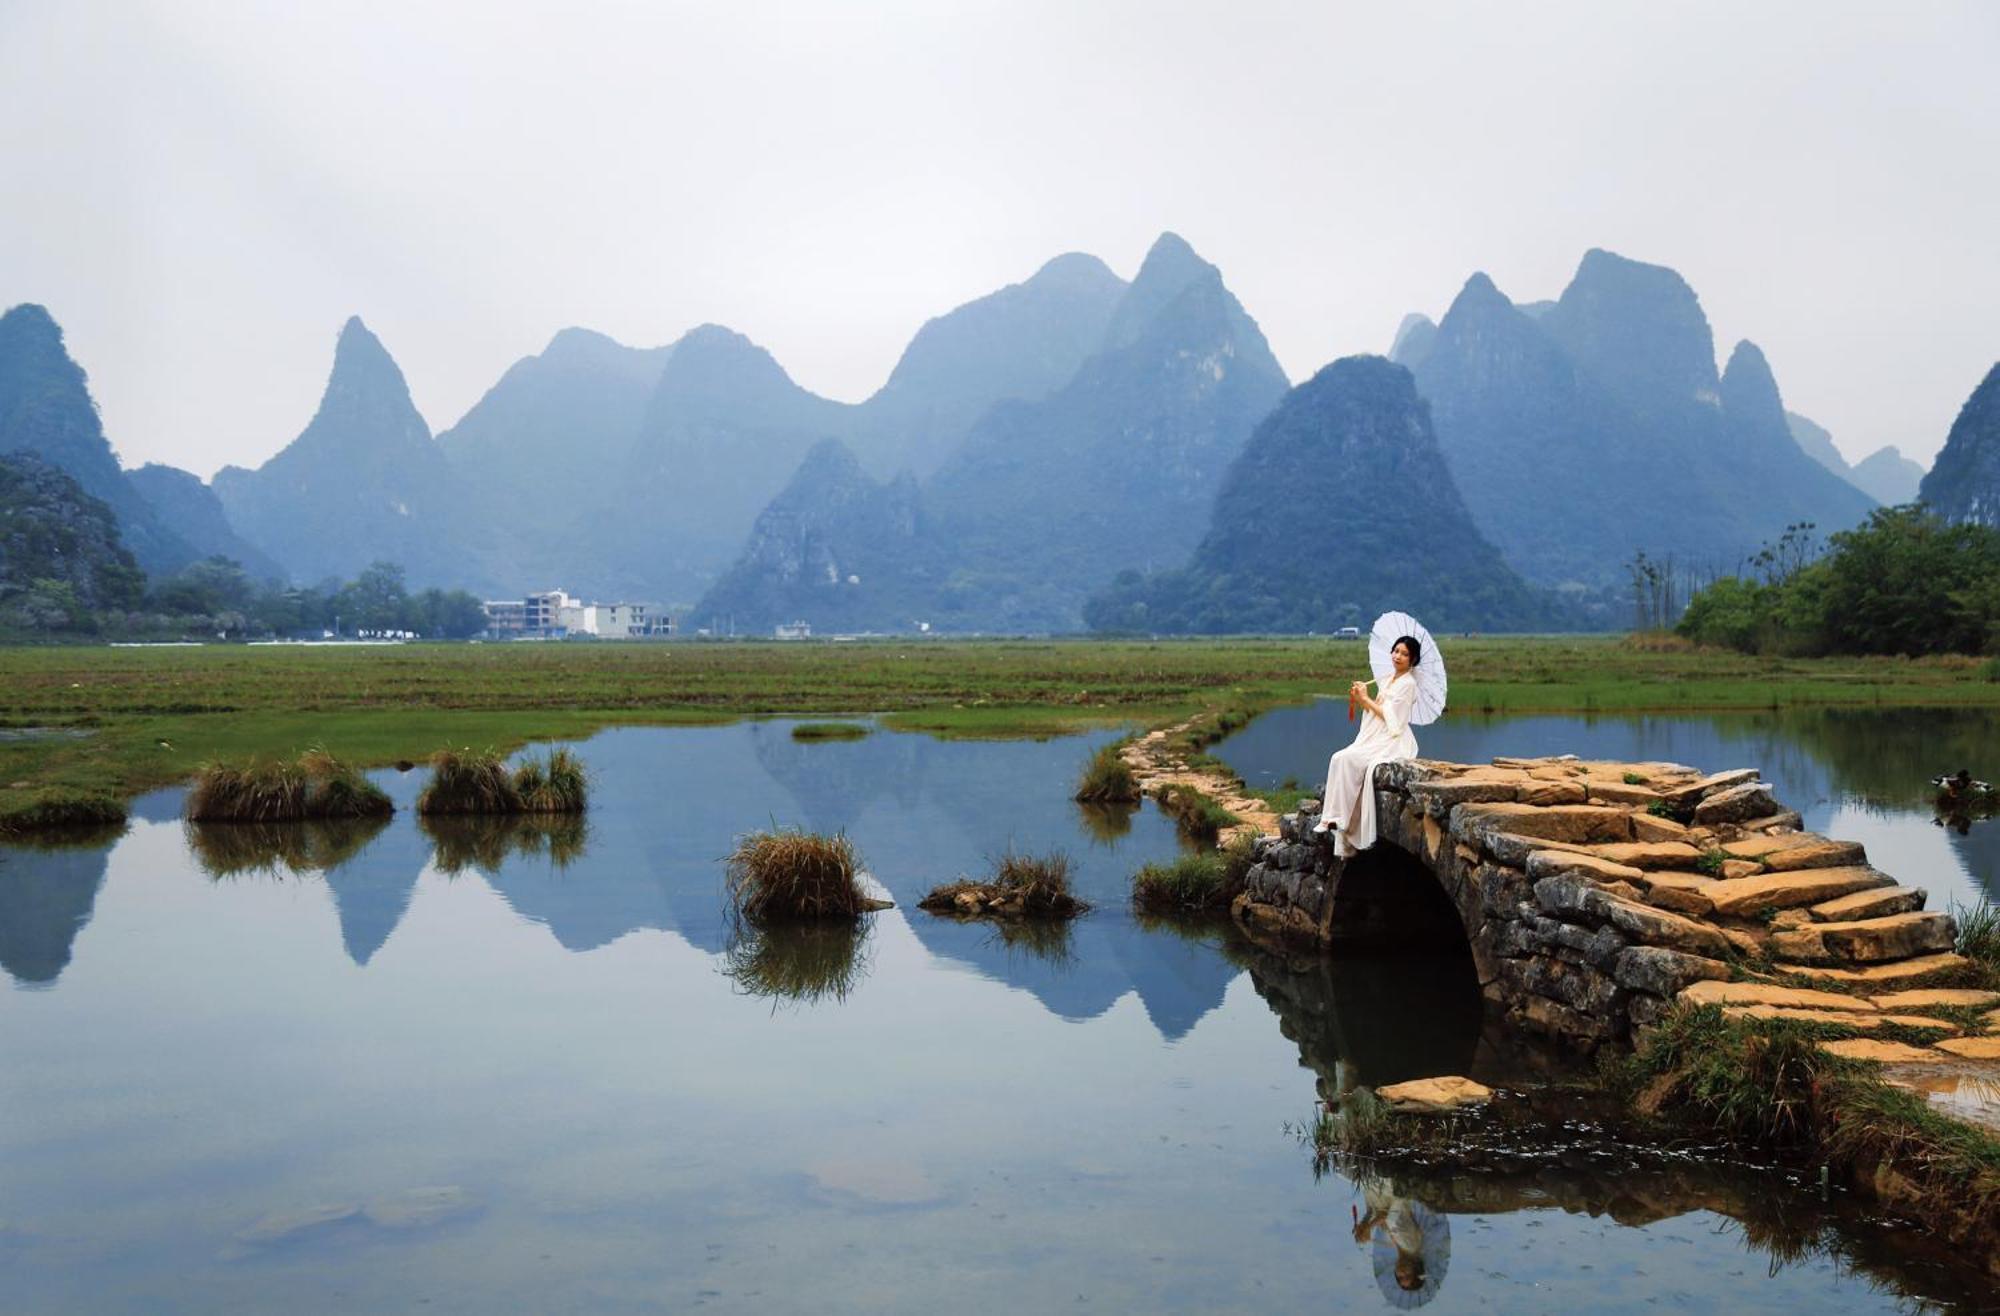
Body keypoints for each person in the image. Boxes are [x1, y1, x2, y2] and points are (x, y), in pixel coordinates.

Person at [1314, 635, 1421, 857]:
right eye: (1396, 651)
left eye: (1404, 654)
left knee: (1350, 760)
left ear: (1412, 660)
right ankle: (1330, 817)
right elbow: (1376, 710)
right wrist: (1363, 699)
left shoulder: (1408, 684)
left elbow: (1394, 720)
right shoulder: (1388, 678)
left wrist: (1365, 700)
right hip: (1374, 735)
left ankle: (1340, 819)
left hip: (1392, 739)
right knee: (1338, 758)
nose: (1398, 656)